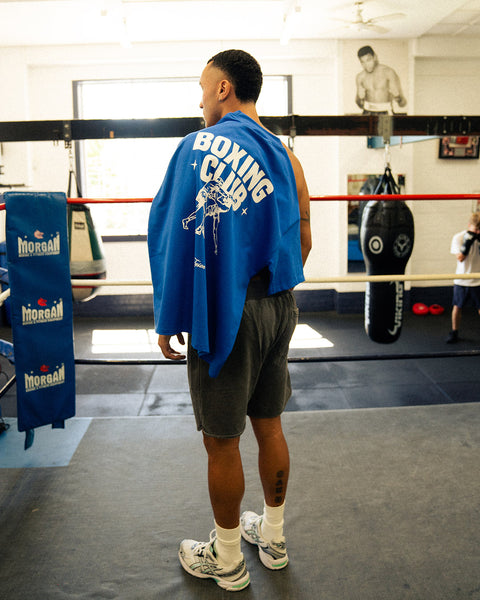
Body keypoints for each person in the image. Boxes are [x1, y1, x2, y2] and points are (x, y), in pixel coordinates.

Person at [147, 49, 312, 592]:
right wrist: (268, 296)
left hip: (228, 312)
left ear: (223, 88)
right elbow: (302, 243)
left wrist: (171, 314)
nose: (199, 100)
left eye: (202, 88)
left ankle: (226, 560)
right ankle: (274, 536)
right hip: (279, 307)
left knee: (221, 438)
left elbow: (173, 235)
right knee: (270, 425)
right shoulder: (286, 157)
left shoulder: (196, 148)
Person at [446, 212, 480, 343]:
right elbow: (460, 258)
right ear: (469, 225)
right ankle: (454, 332)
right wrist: (468, 244)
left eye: (479, 229)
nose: (477, 232)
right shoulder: (459, 238)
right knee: (457, 307)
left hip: (478, 280)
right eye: (475, 229)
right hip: (461, 279)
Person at [355, 45, 407, 114]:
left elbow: (403, 104)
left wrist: (397, 97)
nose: (366, 65)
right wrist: (360, 98)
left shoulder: (389, 72)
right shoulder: (360, 77)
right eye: (362, 62)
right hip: (367, 112)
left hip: (385, 112)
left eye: (368, 60)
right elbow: (360, 105)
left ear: (375, 57)